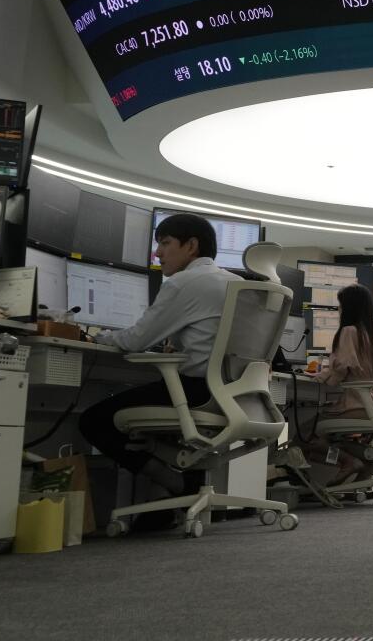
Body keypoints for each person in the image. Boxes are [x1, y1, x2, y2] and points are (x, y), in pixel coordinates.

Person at [78, 213, 241, 528]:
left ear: (191, 246)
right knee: (151, 417)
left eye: (165, 243)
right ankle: (164, 503)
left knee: (94, 420)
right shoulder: (237, 283)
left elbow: (135, 340)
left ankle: (176, 484)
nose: (157, 254)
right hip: (232, 392)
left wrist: (93, 335)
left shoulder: (183, 283)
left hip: (196, 390)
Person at [311, 283, 373, 485]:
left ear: (349, 308)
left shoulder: (348, 331)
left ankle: (348, 462)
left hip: (356, 404)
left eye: (341, 306)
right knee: (333, 436)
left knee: (306, 433)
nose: (339, 310)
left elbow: (338, 373)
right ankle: (365, 463)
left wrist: (319, 376)